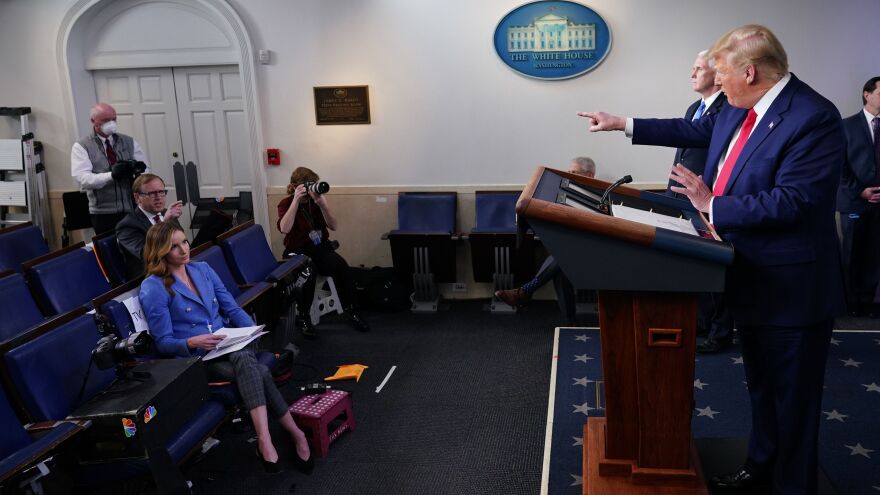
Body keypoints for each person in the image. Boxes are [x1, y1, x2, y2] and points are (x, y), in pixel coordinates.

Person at [579, 25, 845, 494]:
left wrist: (711, 204)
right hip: (748, 275)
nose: (715, 82)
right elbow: (694, 128)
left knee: (795, 401)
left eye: (720, 72)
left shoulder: (813, 117)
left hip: (793, 288)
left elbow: (796, 201)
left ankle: (793, 486)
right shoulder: (735, 107)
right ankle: (761, 466)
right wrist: (624, 123)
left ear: (750, 70)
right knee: (761, 388)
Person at [139, 222, 313, 474]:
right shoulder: (153, 287)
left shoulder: (202, 269)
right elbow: (163, 342)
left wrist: (252, 332)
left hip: (227, 345)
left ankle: (267, 440)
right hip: (197, 360)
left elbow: (231, 309)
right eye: (173, 247)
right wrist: (191, 342)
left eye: (184, 242)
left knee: (246, 358)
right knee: (258, 371)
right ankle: (292, 434)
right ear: (160, 251)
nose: (183, 250)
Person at [667, 50, 734, 353]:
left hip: (710, 200)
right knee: (695, 265)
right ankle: (704, 324)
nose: (691, 74)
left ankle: (721, 333)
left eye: (697, 69)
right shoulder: (695, 106)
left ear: (717, 74)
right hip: (683, 198)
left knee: (715, 266)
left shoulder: (728, 109)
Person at [494, 157, 595, 325]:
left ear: (589, 175)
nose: (569, 176)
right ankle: (570, 321)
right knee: (562, 263)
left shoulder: (600, 194)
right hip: (572, 253)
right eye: (568, 173)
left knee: (562, 257)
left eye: (573, 173)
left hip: (594, 255)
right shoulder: (566, 193)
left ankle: (526, 291)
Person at [277, 166, 370, 336]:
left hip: (319, 249)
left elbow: (333, 226)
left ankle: (352, 311)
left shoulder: (316, 202)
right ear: (296, 186)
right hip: (297, 251)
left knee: (342, 267)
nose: (313, 188)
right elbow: (284, 228)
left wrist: (323, 205)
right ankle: (304, 317)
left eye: (314, 184)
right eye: (309, 185)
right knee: (308, 272)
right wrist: (296, 201)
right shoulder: (286, 203)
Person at [71, 102, 150, 235]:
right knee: (109, 251)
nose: (111, 123)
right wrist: (111, 175)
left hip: (133, 207)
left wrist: (136, 175)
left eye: (114, 119)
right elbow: (83, 179)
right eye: (106, 120)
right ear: (93, 121)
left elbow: (145, 169)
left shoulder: (128, 141)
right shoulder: (82, 146)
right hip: (104, 213)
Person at [837, 77, 880, 317]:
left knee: (874, 254)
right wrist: (860, 190)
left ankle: (868, 302)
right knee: (852, 252)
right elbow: (839, 165)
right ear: (867, 94)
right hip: (854, 201)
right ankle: (849, 303)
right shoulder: (846, 126)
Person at [116, 173, 184, 279]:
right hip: (151, 276)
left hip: (175, 268)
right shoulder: (127, 226)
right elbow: (149, 256)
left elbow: (184, 243)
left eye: (161, 192)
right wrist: (165, 224)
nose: (158, 198)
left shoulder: (167, 213)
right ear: (137, 197)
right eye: (152, 193)